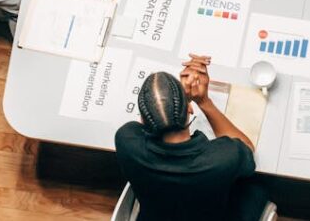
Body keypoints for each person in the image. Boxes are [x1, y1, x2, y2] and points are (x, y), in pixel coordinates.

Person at [114, 54, 270, 221]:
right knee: (254, 188)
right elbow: (247, 147)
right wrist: (203, 101)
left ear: (142, 120)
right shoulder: (222, 159)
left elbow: (144, 127)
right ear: (190, 109)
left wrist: (177, 104)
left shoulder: (126, 141)